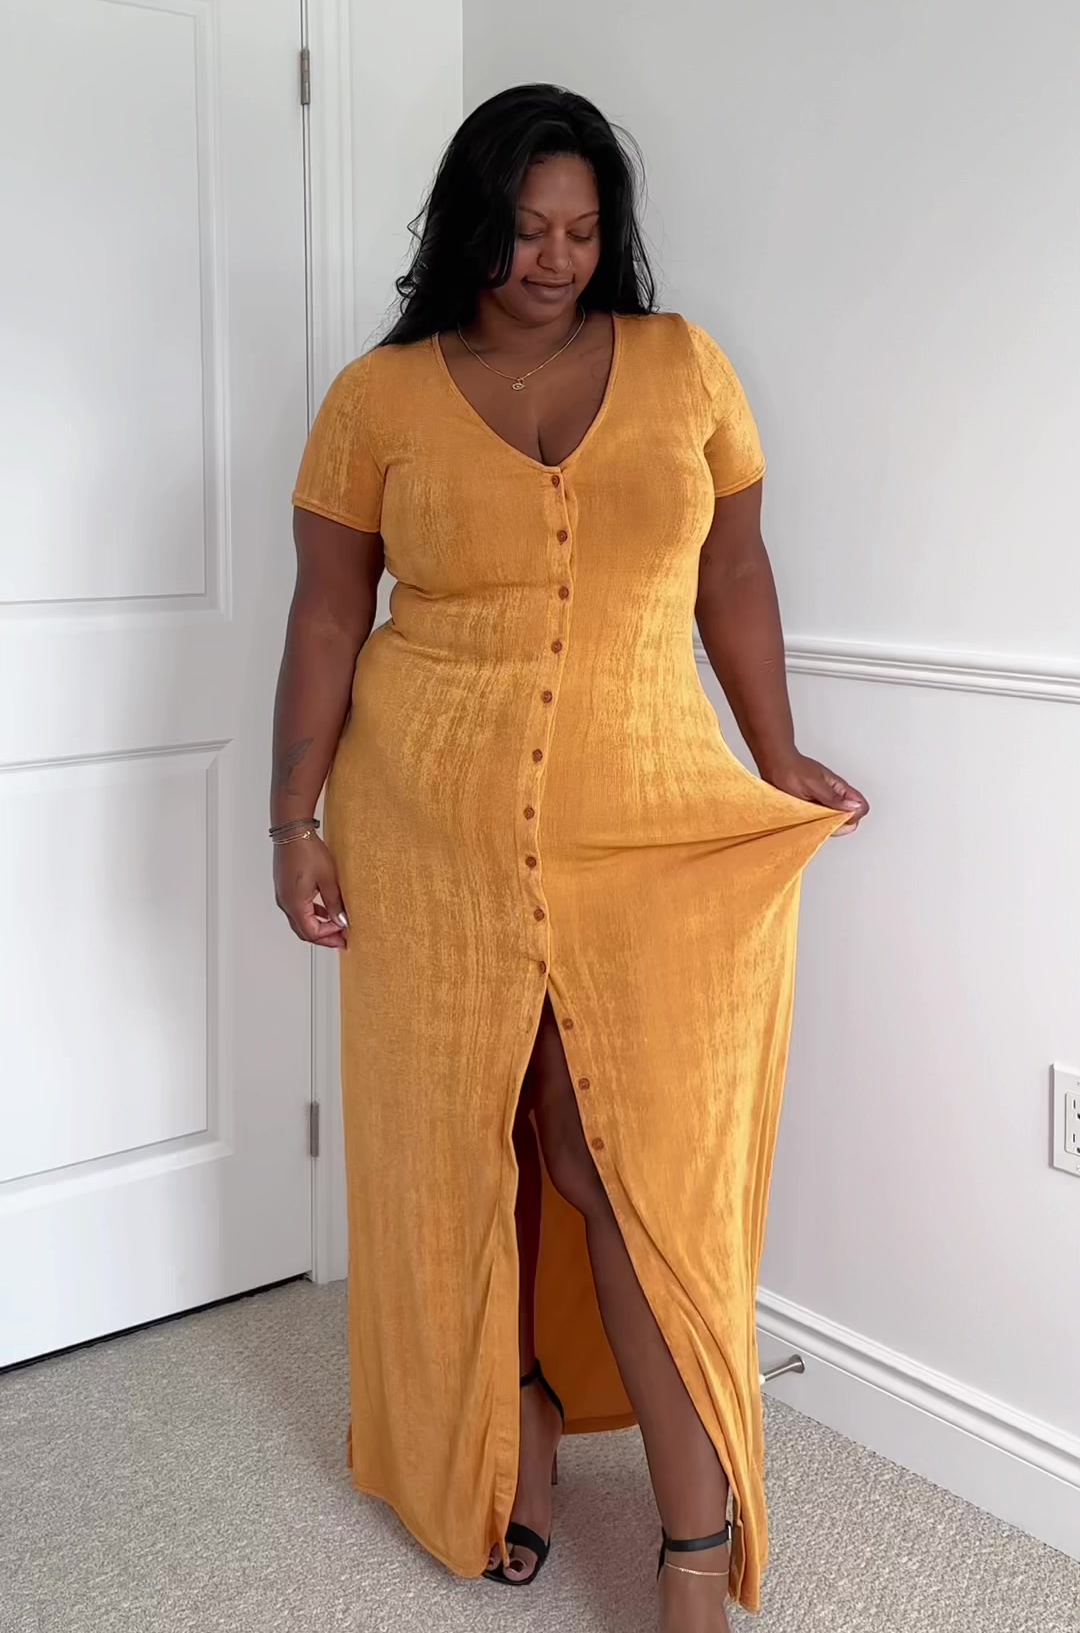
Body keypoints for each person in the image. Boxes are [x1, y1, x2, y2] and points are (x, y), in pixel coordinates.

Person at [270, 83, 868, 1631]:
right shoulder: (378, 398)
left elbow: (735, 569)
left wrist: (775, 750)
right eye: (526, 229)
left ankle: (692, 1542)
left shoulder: (682, 366)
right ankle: (512, 1420)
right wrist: (293, 817)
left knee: (624, 1160)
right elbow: (329, 613)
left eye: (583, 232)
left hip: (642, 815)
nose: (553, 259)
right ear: (469, 224)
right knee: (471, 1140)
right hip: (428, 823)